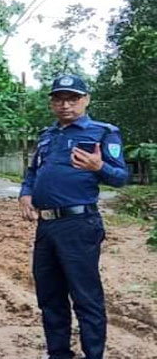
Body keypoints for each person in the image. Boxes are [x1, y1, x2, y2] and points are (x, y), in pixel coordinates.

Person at [18, 74, 129, 359]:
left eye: (73, 98)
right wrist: (25, 193)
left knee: (85, 296)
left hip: (79, 225)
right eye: (59, 99)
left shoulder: (102, 133)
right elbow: (33, 172)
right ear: (52, 103)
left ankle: (94, 355)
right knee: (50, 296)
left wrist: (99, 166)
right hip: (46, 226)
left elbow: (121, 178)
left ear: (86, 100)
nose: (65, 105)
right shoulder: (47, 135)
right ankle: (58, 354)